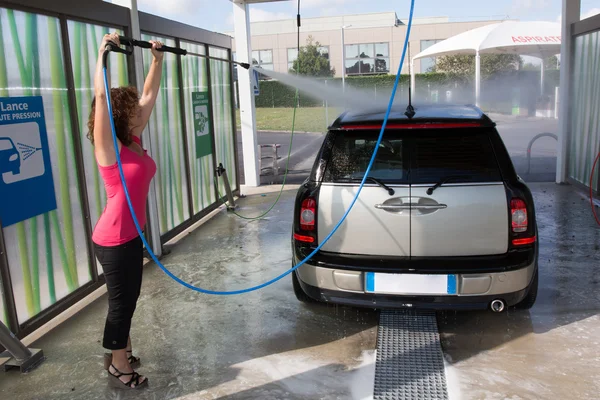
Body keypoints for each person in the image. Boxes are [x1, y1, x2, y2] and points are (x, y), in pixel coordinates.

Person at [87, 32, 163, 390]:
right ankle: (118, 365)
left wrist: (157, 60)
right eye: (131, 107)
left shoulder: (132, 139)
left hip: (132, 234)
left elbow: (148, 95)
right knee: (121, 304)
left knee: (128, 300)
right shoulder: (109, 148)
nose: (139, 109)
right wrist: (103, 54)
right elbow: (101, 96)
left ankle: (122, 350)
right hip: (114, 238)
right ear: (121, 114)